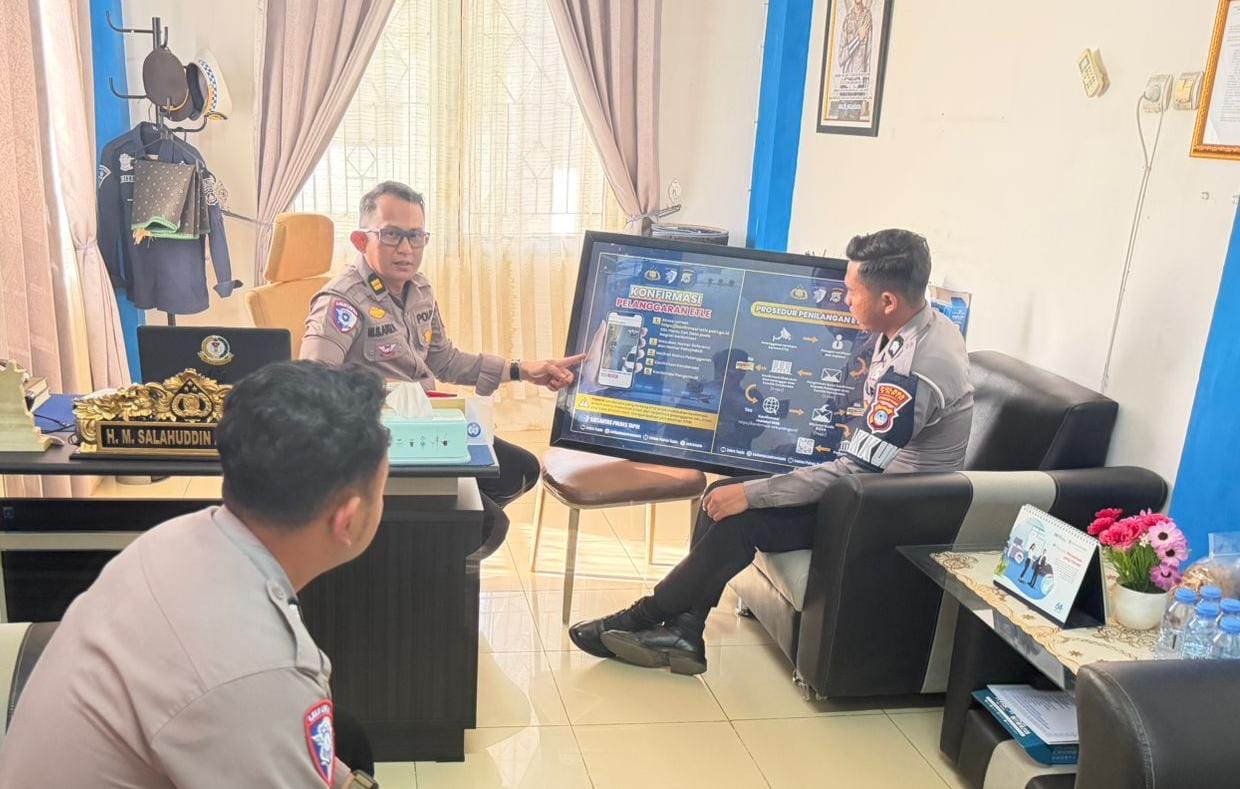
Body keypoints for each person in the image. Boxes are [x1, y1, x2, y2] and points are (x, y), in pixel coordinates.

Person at [568, 229, 974, 674]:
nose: (845, 302)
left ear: (889, 301)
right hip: (868, 488)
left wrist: (754, 494)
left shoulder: (916, 371)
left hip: (889, 510)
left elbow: (855, 470)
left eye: (852, 293)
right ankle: (685, 630)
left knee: (741, 520)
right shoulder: (917, 324)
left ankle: (640, 617)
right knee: (719, 495)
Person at [0, 361, 391, 787]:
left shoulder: (178, 536)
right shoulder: (259, 672)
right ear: (348, 519)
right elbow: (245, 689)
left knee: (345, 737)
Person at [301, 181, 582, 555]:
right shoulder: (341, 302)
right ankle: (424, 553)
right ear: (360, 240)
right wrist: (385, 396)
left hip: (428, 423)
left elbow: (444, 360)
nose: (406, 249)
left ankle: (422, 544)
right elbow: (312, 383)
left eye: (416, 236)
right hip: (381, 440)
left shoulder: (419, 289)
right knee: (486, 525)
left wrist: (522, 370)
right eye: (392, 235)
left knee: (520, 471)